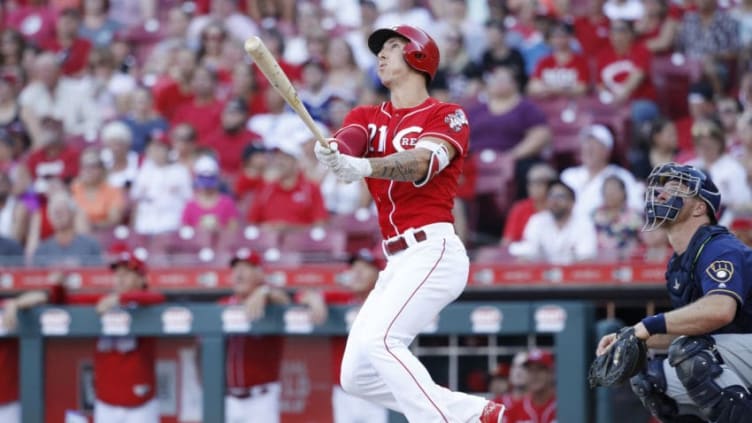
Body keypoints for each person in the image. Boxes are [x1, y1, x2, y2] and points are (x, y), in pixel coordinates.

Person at [313, 24, 506, 422]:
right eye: (379, 49)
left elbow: (423, 162)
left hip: (433, 250)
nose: (381, 55)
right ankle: (476, 413)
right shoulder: (367, 115)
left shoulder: (448, 115)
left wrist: (364, 165)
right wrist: (332, 152)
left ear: (419, 56)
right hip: (395, 260)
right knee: (356, 375)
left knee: (384, 341)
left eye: (393, 47)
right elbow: (349, 140)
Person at [596, 162, 752, 422]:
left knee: (690, 354)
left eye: (677, 188)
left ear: (700, 207)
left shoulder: (718, 247)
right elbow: (693, 328)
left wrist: (646, 325)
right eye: (662, 188)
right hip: (739, 351)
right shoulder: (678, 262)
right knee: (649, 377)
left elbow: (720, 310)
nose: (662, 194)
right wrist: (630, 337)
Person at [297, 247, 389, 423]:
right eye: (354, 268)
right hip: (344, 392)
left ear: (378, 273)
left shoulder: (387, 300)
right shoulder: (342, 298)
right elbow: (302, 294)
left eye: (365, 267)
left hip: (378, 391)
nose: (358, 272)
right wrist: (316, 299)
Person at [221, 248, 290, 423]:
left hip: (261, 399)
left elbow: (285, 300)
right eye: (236, 268)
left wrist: (264, 291)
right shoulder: (222, 305)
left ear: (260, 274)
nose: (239, 273)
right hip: (228, 398)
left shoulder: (271, 302)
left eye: (247, 267)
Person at [508, 179, 598, 264]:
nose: (554, 201)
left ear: (572, 202)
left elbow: (586, 259)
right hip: (541, 276)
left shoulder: (584, 223)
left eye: (560, 196)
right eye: (551, 196)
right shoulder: (537, 220)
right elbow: (528, 252)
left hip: (575, 277)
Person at [504, 349, 557, 423]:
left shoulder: (563, 406)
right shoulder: (515, 410)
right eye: (530, 370)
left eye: (540, 369)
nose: (534, 375)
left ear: (550, 373)